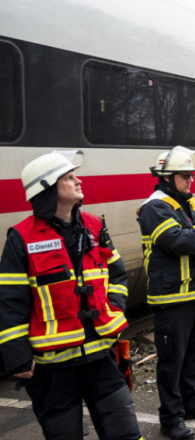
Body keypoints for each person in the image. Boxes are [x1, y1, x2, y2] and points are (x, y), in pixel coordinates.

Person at [0, 151, 142, 440]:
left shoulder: (93, 226)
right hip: (54, 369)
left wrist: (113, 308)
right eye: (68, 177)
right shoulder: (21, 238)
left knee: (125, 433)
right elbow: (11, 300)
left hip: (102, 357)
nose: (78, 181)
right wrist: (17, 356)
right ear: (48, 189)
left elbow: (117, 273)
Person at [137, 146, 195, 440]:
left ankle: (192, 402)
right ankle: (171, 417)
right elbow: (179, 242)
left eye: (192, 174)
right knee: (172, 361)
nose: (191, 180)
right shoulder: (154, 207)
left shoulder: (191, 203)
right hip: (172, 298)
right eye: (185, 175)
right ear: (166, 177)